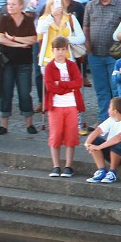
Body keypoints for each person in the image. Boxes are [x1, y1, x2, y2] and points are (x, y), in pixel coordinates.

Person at [0, 0, 38, 135]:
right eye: (8, 4)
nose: (10, 6)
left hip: (24, 63)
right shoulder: (4, 19)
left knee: (25, 93)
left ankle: (29, 124)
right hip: (6, 62)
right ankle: (3, 125)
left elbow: (33, 39)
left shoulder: (28, 20)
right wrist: (20, 44)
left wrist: (13, 38)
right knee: (6, 92)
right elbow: (0, 38)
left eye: (13, 4)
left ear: (21, 6)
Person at [42, 37, 84, 177]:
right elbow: (50, 87)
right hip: (56, 105)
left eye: (63, 49)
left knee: (71, 135)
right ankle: (56, 166)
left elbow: (78, 82)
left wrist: (61, 84)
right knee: (55, 135)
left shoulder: (71, 65)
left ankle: (68, 166)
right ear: (53, 51)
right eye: (58, 50)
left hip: (71, 104)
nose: (60, 52)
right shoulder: (49, 67)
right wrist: (66, 87)